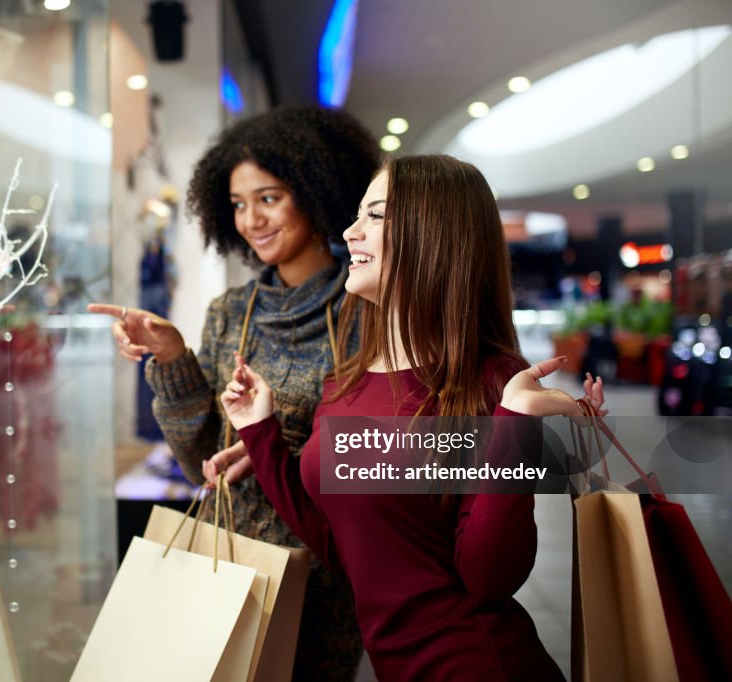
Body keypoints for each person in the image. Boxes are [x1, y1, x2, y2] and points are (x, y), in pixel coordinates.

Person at [214, 155, 606, 681]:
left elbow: (488, 578)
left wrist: (514, 427)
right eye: (357, 216)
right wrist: (258, 430)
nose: (350, 232)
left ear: (435, 235)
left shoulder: (493, 382)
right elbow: (343, 547)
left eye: (374, 216)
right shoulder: (346, 381)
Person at [89, 103, 379, 679]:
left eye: (268, 198)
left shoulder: (366, 313)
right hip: (233, 568)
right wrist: (171, 358)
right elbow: (201, 460)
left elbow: (387, 458)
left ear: (318, 192)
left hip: (327, 575)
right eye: (238, 205)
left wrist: (278, 451)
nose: (252, 220)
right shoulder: (230, 314)